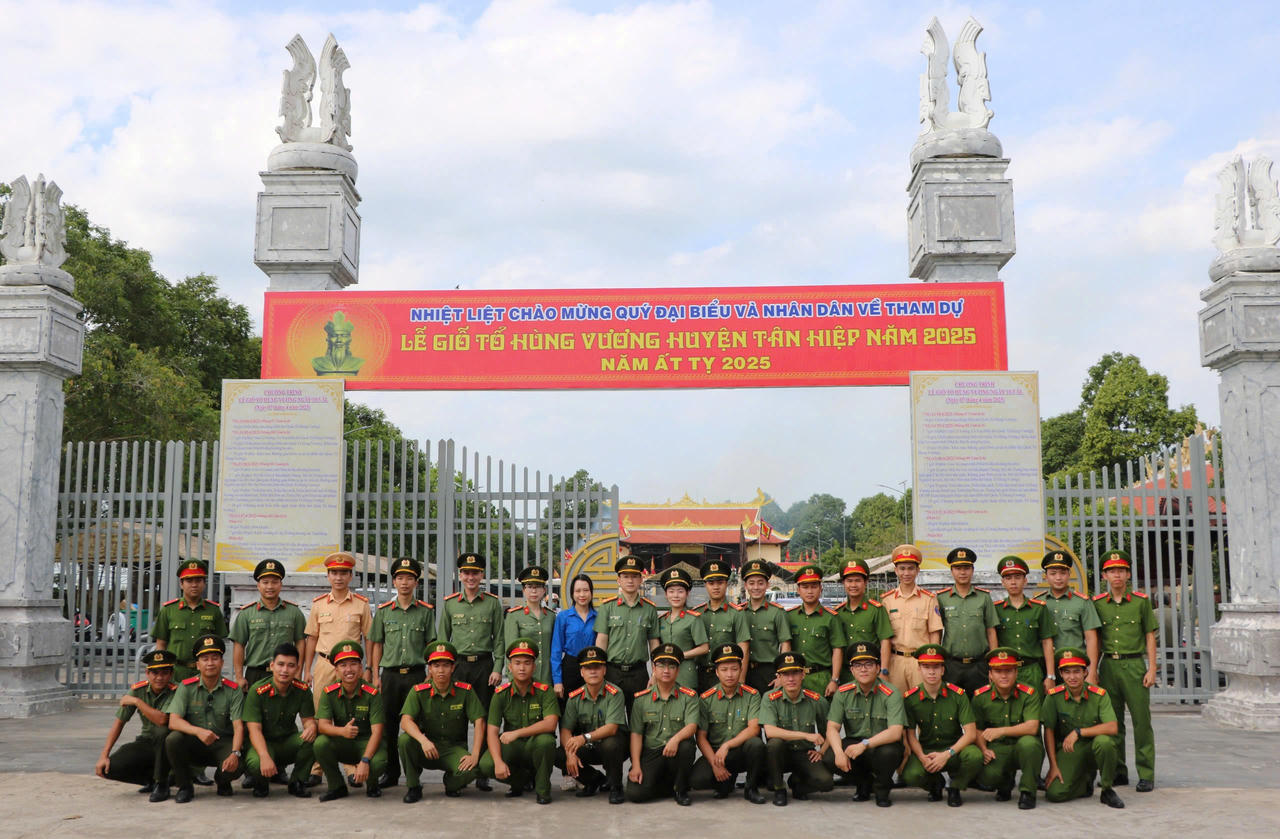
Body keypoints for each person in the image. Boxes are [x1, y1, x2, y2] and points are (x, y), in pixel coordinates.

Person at [1092, 548, 1158, 792]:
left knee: (1141, 722)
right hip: (1109, 665)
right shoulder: (1098, 604)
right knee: (1112, 721)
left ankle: (1146, 773)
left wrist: (1152, 668)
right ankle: (1118, 771)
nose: (1116, 575)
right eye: (1111, 571)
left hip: (1134, 666)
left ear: (1128, 574)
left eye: (1121, 570)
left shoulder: (1140, 602)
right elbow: (1096, 640)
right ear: (1104, 575)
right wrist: (1093, 670)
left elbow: (1150, 636)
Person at [368, 556, 434, 789]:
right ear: (394, 582)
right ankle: (391, 772)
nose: (404, 583)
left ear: (416, 582)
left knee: (414, 724)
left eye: (410, 578)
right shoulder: (384, 611)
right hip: (391, 676)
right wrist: (375, 675)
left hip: (416, 675)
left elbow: (431, 644)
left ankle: (413, 774)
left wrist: (429, 674)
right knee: (388, 725)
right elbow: (376, 643)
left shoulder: (425, 612)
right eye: (400, 578)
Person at [398, 641, 487, 802]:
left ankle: (451, 783)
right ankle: (413, 786)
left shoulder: (465, 691)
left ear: (453, 668)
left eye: (446, 665)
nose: (441, 670)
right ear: (429, 669)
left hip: (453, 748)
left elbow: (479, 721)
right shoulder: (419, 691)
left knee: (474, 769)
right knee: (404, 740)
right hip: (427, 748)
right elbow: (405, 721)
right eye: (436, 665)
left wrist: (474, 754)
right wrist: (423, 740)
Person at [163, 634, 245, 802]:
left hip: (222, 742)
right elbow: (174, 721)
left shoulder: (233, 690)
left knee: (239, 762)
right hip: (194, 742)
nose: (210, 663)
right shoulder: (186, 687)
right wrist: (198, 731)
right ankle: (185, 786)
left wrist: (235, 754)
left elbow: (238, 726)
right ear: (197, 665)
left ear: (222, 663)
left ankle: (222, 781)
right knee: (173, 739)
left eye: (215, 658)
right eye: (205, 659)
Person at [823, 641, 905, 807]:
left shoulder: (891, 693)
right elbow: (832, 727)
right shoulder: (843, 693)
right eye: (858, 665)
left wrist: (865, 744)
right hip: (856, 743)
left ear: (877, 667)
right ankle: (864, 782)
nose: (863, 669)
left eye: (868, 664)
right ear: (851, 670)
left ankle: (882, 790)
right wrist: (839, 752)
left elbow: (895, 732)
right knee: (830, 758)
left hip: (882, 744)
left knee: (888, 753)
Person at [479, 638, 560, 804]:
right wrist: (498, 762)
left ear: (534, 666)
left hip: (534, 743)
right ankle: (520, 781)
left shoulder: (545, 691)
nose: (522, 668)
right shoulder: (501, 694)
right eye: (517, 663)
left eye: (527, 663)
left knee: (546, 741)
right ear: (509, 667)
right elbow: (492, 732)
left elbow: (551, 723)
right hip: (513, 746)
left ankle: (542, 789)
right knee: (487, 764)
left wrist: (517, 733)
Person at [1041, 646, 1123, 808]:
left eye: (1077, 671)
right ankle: (1084, 781)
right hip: (1070, 749)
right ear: (1061, 674)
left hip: (1095, 746)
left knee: (1105, 743)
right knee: (1055, 794)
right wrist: (1054, 766)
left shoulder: (1099, 694)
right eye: (1067, 672)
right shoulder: (1053, 697)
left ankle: (1107, 789)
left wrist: (1079, 732)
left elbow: (1112, 727)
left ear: (1085, 672)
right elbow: (1048, 731)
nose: (1072, 677)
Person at [902, 643, 981, 807]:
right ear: (919, 669)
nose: (931, 672)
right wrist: (922, 757)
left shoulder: (958, 695)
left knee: (974, 756)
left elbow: (971, 733)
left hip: (954, 749)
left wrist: (947, 754)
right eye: (926, 667)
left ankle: (955, 787)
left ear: (943, 670)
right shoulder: (911, 698)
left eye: (936, 667)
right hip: (927, 750)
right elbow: (910, 735)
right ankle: (934, 784)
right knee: (910, 775)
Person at [94, 649, 178, 802]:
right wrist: (103, 755)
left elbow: (162, 720)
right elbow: (119, 723)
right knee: (108, 768)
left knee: (162, 732)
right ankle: (151, 780)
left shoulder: (176, 691)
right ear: (147, 673)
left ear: (171, 674)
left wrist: (137, 702)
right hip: (147, 741)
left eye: (164, 673)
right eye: (155, 673)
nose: (159, 678)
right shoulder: (138, 690)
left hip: (170, 745)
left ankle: (162, 783)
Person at [690, 643, 766, 803]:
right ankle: (726, 781)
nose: (729, 674)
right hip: (717, 754)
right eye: (724, 670)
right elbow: (701, 737)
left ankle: (751, 787)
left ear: (741, 670)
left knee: (756, 744)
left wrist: (727, 746)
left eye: (734, 669)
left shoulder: (752, 695)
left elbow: (753, 729)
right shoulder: (706, 699)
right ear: (717, 672)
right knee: (698, 780)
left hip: (741, 751)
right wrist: (714, 764)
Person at [625, 643, 701, 805]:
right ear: (654, 668)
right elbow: (636, 734)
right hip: (652, 751)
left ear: (678, 670)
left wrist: (675, 739)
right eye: (661, 665)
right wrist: (636, 766)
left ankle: (680, 789)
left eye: (672, 666)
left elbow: (692, 726)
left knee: (687, 745)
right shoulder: (641, 699)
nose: (666, 671)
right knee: (635, 794)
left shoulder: (689, 696)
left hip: (676, 751)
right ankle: (667, 786)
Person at [240, 642, 316, 798]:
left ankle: (297, 782)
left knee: (315, 740)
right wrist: (264, 756)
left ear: (297, 668)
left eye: (290, 665)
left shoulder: (302, 690)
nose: (285, 670)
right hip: (263, 743)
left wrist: (311, 727)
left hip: (286, 742)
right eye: (280, 664)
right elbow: (254, 730)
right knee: (256, 762)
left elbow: (308, 719)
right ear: (272, 665)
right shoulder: (257, 691)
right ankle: (261, 783)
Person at [971, 647, 1043, 809]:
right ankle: (1005, 782)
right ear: (990, 674)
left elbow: (1032, 727)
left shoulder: (1029, 694)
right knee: (987, 778)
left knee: (1030, 744)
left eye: (1009, 670)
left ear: (1016, 673)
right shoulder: (980, 697)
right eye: (998, 671)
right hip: (999, 749)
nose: (1004, 675)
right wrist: (983, 749)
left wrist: (1001, 731)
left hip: (1022, 747)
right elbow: (978, 729)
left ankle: (1027, 791)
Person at [314, 640, 387, 801]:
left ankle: (373, 784)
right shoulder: (329, 692)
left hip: (367, 743)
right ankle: (336, 786)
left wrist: (365, 760)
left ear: (361, 668)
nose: (349, 670)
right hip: (343, 743)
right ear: (336, 670)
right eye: (343, 665)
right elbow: (322, 726)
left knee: (379, 761)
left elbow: (377, 732)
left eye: (353, 664)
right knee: (320, 744)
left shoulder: (372, 693)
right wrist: (342, 731)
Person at [759, 650, 834, 806]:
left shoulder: (816, 700)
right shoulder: (770, 698)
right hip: (781, 754)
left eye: (795, 673)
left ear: (803, 675)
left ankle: (798, 784)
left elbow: (830, 731)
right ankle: (779, 788)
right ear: (778, 677)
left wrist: (822, 751)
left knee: (826, 782)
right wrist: (806, 736)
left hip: (804, 753)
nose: (791, 678)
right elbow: (770, 731)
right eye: (785, 674)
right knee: (774, 744)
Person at [556, 645, 628, 804]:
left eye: (597, 667)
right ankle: (593, 779)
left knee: (611, 743)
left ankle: (616, 786)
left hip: (616, 746)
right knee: (558, 754)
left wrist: (584, 737)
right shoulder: (575, 698)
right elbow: (566, 729)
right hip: (591, 746)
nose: (593, 671)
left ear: (604, 670)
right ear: (582, 672)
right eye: (588, 668)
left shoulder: (615, 693)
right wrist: (570, 753)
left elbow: (612, 728)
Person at [594, 555, 660, 714]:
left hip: (639, 673)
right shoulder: (607, 607)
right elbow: (601, 642)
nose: (630, 580)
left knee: (638, 720)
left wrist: (655, 673)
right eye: (625, 576)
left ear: (641, 579)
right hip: (612, 672)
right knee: (612, 720)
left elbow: (654, 644)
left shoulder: (649, 609)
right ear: (618, 580)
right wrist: (599, 671)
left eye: (634, 576)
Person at [440, 552, 504, 713]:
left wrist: (497, 668)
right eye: (466, 573)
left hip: (484, 666)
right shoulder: (450, 604)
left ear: (481, 574)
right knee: (456, 712)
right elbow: (443, 639)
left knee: (484, 713)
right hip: (458, 666)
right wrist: (444, 666)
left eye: (475, 573)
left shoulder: (492, 603)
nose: (471, 577)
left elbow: (499, 639)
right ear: (460, 575)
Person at [231, 559, 306, 690]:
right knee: (253, 710)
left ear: (281, 585)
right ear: (258, 586)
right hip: (255, 674)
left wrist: (298, 672)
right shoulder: (246, 614)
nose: (270, 587)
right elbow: (239, 645)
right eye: (265, 582)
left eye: (274, 582)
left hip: (285, 672)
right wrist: (239, 677)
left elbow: (300, 642)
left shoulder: (294, 612)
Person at [303, 552, 373, 691]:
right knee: (322, 709)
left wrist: (368, 668)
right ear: (328, 576)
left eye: (343, 573)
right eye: (334, 573)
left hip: (350, 666)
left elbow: (369, 638)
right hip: (325, 664)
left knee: (350, 709)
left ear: (350, 576)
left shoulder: (361, 604)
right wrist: (307, 670)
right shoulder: (319, 604)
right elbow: (312, 638)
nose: (338, 578)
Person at [151, 559, 228, 683]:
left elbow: (219, 645)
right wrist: (163, 670)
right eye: (189, 580)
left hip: (205, 673)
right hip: (176, 672)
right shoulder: (168, 610)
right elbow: (161, 644)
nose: (194, 584)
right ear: (181, 584)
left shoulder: (213, 610)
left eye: (198, 580)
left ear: (204, 583)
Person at [936, 547, 999, 695]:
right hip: (952, 665)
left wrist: (994, 664)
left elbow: (991, 631)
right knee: (952, 707)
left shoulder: (984, 597)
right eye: (958, 568)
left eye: (966, 568)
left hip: (979, 665)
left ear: (972, 570)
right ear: (952, 571)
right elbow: (937, 632)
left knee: (980, 706)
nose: (962, 572)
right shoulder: (942, 598)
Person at [882, 545, 942, 693]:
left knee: (922, 702)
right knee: (897, 703)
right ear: (896, 571)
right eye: (902, 569)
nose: (906, 573)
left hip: (920, 661)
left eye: (910, 568)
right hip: (895, 661)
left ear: (917, 571)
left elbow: (935, 633)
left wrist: (932, 663)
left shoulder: (929, 599)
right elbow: (884, 637)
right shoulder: (887, 601)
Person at [992, 556, 1058, 693]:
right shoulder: (996, 609)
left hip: (1032, 670)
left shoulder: (1038, 608)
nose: (1013, 582)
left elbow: (1047, 642)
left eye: (1017, 577)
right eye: (1008, 578)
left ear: (1025, 580)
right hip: (1005, 670)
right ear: (1002, 582)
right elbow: (992, 642)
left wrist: (1050, 675)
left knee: (1035, 712)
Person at [1040, 550, 1101, 684]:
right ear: (1046, 576)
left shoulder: (1082, 602)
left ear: (1069, 575)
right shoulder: (1038, 603)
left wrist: (1091, 672)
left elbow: (1091, 638)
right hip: (1046, 668)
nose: (1058, 578)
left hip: (1075, 667)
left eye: (1063, 573)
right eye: (1053, 573)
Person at [785, 564, 846, 697]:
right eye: (805, 587)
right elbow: (785, 646)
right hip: (794, 678)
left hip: (821, 679)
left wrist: (834, 680)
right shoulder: (789, 616)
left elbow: (837, 650)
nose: (810, 591)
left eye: (814, 586)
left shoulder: (831, 618)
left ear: (821, 589)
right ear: (798, 590)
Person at [832, 559, 892, 685]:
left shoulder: (876, 610)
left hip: (870, 673)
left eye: (858, 580)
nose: (853, 585)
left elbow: (885, 641)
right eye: (849, 581)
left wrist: (884, 671)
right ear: (843, 583)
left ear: (865, 582)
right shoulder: (837, 613)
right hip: (846, 674)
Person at [696, 559, 751, 693]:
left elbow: (744, 646)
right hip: (700, 675)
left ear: (726, 584)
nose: (716, 587)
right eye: (711, 583)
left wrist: (741, 679)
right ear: (705, 585)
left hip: (727, 676)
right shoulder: (697, 614)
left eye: (720, 583)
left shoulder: (736, 613)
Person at [741, 558, 792, 693]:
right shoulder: (739, 612)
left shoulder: (777, 612)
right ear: (745, 585)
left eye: (760, 583)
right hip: (743, 671)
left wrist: (782, 674)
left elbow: (785, 645)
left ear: (767, 585)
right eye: (751, 583)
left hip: (769, 672)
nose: (756, 587)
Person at [656, 567, 709, 690]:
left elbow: (704, 648)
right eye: (671, 591)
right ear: (666, 594)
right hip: (665, 672)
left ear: (687, 593)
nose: (675, 595)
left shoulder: (694, 619)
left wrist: (680, 655)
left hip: (686, 672)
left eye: (680, 591)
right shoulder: (662, 619)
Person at [503, 566, 556, 687]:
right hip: (523, 678)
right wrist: (512, 679)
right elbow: (510, 651)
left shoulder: (551, 616)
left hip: (546, 677)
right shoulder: (514, 615)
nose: (534, 591)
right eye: (530, 587)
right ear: (523, 590)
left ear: (544, 590)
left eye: (537, 587)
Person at [551, 574, 598, 699]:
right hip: (570, 667)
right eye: (577, 591)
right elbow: (556, 651)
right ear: (572, 594)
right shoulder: (563, 617)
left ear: (591, 593)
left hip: (593, 667)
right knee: (568, 712)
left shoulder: (598, 617)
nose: (582, 595)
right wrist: (557, 681)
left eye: (586, 590)